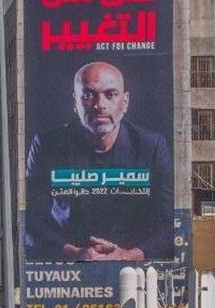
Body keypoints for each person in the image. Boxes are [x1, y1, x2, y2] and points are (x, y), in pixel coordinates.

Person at [24, 61, 174, 262]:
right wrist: (75, 253)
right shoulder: (46, 145)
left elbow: (169, 223)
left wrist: (128, 255)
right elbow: (30, 222)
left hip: (134, 270)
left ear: (125, 102)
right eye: (88, 95)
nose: (99, 105)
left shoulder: (152, 146)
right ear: (75, 103)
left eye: (110, 95)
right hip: (68, 267)